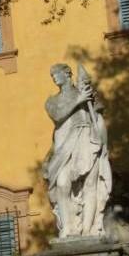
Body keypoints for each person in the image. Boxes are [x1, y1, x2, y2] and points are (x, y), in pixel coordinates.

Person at [43, 63, 112, 239]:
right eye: (52, 76)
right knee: (62, 183)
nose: (54, 78)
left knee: (90, 184)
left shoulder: (88, 93)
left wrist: (104, 145)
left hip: (88, 139)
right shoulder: (52, 101)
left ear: (67, 74)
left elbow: (98, 119)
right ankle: (67, 228)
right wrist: (78, 100)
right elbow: (58, 116)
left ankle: (89, 230)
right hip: (64, 144)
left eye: (56, 74)